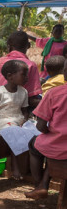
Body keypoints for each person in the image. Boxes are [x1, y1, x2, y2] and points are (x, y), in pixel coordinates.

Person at [25, 67, 67, 199]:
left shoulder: (55, 93)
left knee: (35, 145)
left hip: (58, 145)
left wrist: (49, 131)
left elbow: (41, 126)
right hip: (60, 148)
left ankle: (40, 185)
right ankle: (43, 184)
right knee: (53, 149)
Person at [0, 31, 42, 108]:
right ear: (28, 45)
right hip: (17, 108)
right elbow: (31, 98)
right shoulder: (30, 65)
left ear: (9, 47)